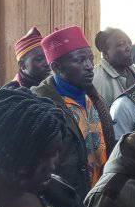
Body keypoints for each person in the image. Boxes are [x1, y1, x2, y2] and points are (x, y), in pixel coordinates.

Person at [32, 26, 116, 196]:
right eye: (80, 60)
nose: (89, 66)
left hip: (101, 194)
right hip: (67, 197)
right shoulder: (42, 107)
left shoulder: (94, 99)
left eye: (90, 58)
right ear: (56, 67)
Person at [93, 27, 135, 106]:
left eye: (129, 43)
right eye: (121, 44)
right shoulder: (97, 79)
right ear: (105, 53)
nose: (129, 48)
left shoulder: (134, 70)